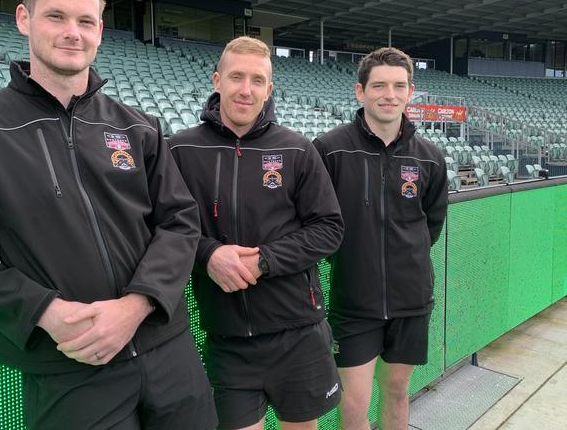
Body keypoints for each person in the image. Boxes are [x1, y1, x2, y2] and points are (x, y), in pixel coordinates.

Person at [0, 0, 217, 430]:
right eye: (55, 16)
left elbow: (179, 222)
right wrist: (44, 311)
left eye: (85, 21)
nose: (72, 33)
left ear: (100, 29)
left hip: (168, 352)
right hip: (68, 364)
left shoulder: (138, 125)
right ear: (24, 19)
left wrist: (137, 304)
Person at [168, 36, 344, 430]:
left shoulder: (297, 150)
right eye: (236, 77)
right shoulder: (180, 150)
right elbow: (164, 228)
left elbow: (329, 228)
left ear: (269, 89)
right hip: (228, 339)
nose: (245, 90)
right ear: (217, 80)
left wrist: (265, 260)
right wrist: (208, 254)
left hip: (298, 331)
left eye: (257, 80)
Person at [313, 47, 448, 430]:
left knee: (397, 390)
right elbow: (317, 221)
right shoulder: (329, 149)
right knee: (354, 401)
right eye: (379, 85)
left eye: (398, 86)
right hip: (354, 302)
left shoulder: (430, 158)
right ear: (360, 91)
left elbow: (431, 224)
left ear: (410, 92)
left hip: (411, 300)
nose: (389, 94)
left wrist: (406, 258)